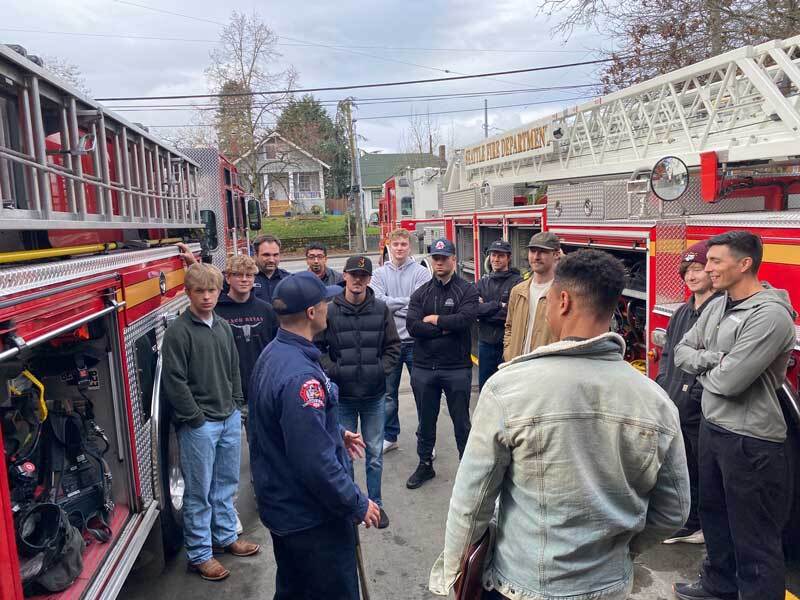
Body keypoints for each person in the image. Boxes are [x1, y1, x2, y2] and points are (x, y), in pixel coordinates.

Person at [429, 249, 690, 599]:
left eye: (548, 299)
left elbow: (471, 502)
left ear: (563, 301)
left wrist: (453, 575)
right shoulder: (656, 401)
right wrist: (622, 552)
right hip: (609, 585)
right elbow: (674, 509)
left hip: (522, 584)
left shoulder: (508, 389)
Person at [673, 231, 796, 600]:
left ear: (744, 264)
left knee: (754, 536)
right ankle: (718, 585)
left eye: (714, 261)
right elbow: (683, 349)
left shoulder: (770, 316)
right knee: (715, 519)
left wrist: (709, 365)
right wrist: (714, 359)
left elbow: (730, 381)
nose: (706, 268)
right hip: (714, 428)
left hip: (750, 440)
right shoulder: (717, 304)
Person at [248, 271, 381, 600]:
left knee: (294, 590)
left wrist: (334, 432)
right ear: (311, 312)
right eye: (324, 302)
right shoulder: (300, 376)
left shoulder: (276, 354)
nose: (329, 306)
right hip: (311, 519)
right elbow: (315, 463)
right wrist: (356, 503)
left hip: (286, 512)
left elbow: (285, 422)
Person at [161, 263, 261, 582]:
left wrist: (236, 405)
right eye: (199, 291)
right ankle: (200, 555)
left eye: (212, 290)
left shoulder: (221, 326)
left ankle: (226, 537)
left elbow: (233, 367)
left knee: (226, 485)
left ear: (220, 291)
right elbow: (174, 381)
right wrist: (194, 418)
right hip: (200, 425)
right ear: (188, 293)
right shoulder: (178, 332)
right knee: (199, 492)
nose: (206, 297)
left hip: (228, 417)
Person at [320, 255, 401, 529]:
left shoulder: (381, 310)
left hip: (374, 397)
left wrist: (380, 370)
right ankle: (352, 506)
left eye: (363, 276)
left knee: (374, 455)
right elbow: (318, 348)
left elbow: (393, 347)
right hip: (342, 399)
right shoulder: (330, 311)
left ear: (369, 279)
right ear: (344, 275)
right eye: (353, 275)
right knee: (344, 455)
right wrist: (335, 371)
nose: (358, 280)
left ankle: (375, 504)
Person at [656, 241, 718, 546]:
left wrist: (693, 396)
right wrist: (663, 384)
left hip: (700, 409)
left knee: (702, 469)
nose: (691, 276)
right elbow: (668, 353)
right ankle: (687, 519)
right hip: (676, 403)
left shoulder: (719, 312)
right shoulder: (682, 311)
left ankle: (698, 525)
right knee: (683, 466)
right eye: (687, 270)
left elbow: (715, 359)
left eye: (698, 269)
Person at [405, 238, 479, 489]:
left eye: (444, 258)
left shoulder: (467, 290)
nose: (439, 262)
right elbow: (413, 327)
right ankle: (425, 464)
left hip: (456, 368)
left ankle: (467, 469)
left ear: (453, 260)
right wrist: (445, 328)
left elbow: (466, 320)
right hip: (424, 368)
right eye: (435, 258)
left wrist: (435, 319)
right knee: (426, 421)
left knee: (462, 422)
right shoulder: (421, 293)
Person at [370, 228, 432, 454]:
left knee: (423, 394)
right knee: (388, 395)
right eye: (395, 244)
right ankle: (390, 436)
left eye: (403, 244)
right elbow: (378, 303)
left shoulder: (422, 272)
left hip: (417, 342)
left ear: (409, 247)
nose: (399, 248)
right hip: (389, 343)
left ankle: (426, 440)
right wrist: (408, 305)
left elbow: (421, 304)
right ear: (389, 246)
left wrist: (394, 306)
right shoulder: (379, 274)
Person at [503, 231, 560, 361]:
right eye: (532, 251)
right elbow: (509, 327)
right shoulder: (518, 291)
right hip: (517, 368)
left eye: (543, 252)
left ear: (556, 255)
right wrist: (509, 353)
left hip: (545, 372)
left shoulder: (563, 295)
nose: (536, 256)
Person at [476, 239, 523, 389]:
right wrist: (498, 305)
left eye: (500, 256)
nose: (496, 259)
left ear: (508, 258)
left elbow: (512, 313)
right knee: (486, 387)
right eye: (493, 255)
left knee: (508, 387)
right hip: (485, 344)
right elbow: (473, 309)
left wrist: (485, 310)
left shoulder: (517, 282)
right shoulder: (483, 282)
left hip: (507, 345)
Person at [252, 234, 290, 304]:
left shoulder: (288, 279)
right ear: (255, 255)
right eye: (266, 255)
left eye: (275, 255)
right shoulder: (245, 279)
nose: (271, 260)